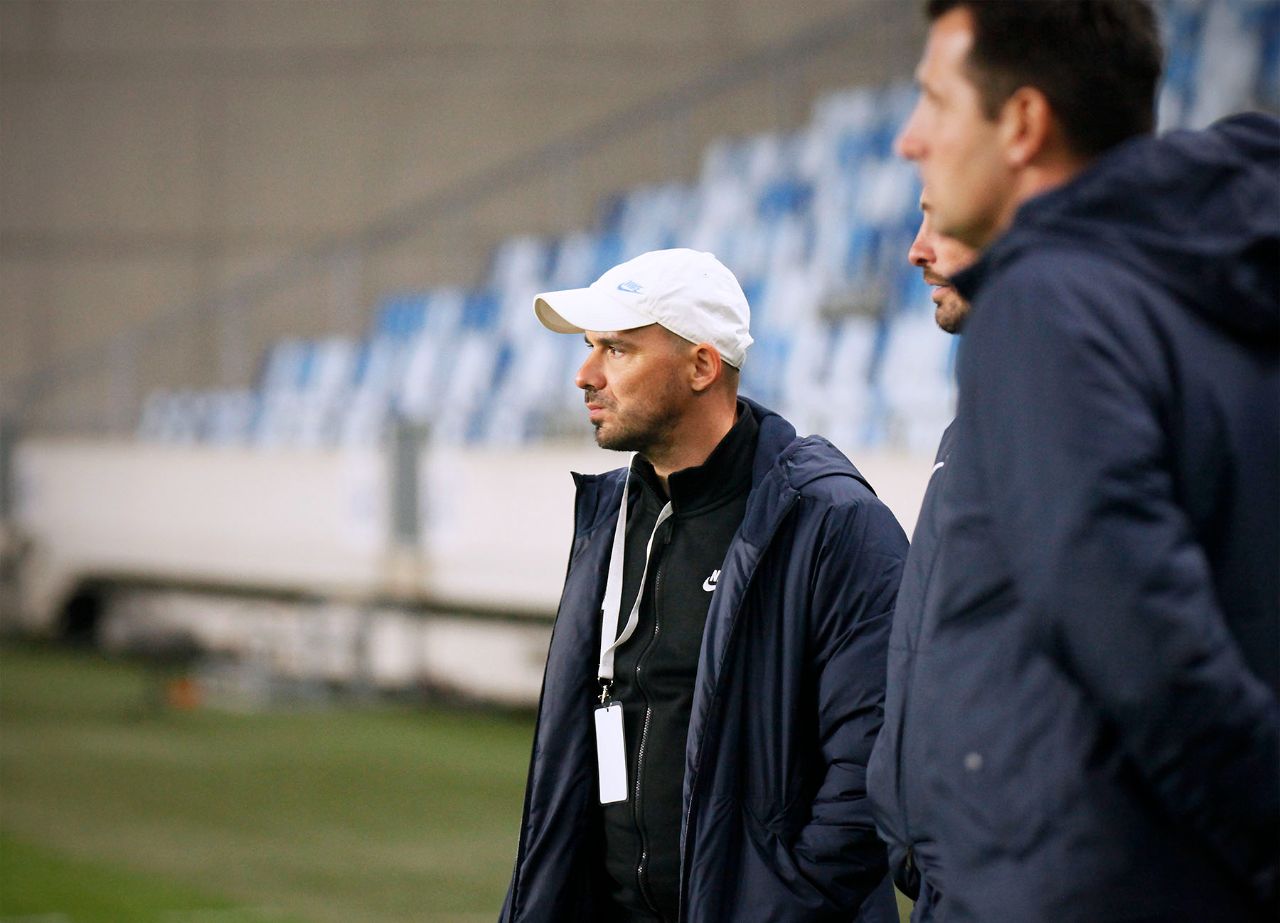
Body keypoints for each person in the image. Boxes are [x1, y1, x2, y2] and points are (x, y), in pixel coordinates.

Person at [888, 1, 1280, 920]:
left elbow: (1150, 653)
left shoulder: (1047, 304)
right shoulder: (1207, 278)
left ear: (1023, 124)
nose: (911, 139)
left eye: (937, 101)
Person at [499, 248, 907, 923]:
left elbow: (872, 766)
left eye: (617, 350)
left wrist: (780, 909)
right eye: (589, 347)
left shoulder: (831, 522)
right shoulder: (610, 515)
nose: (585, 375)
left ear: (701, 367)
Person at [865, 192, 977, 922]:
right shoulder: (972, 427)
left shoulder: (1083, 419)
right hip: (947, 879)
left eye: (944, 219)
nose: (916, 250)